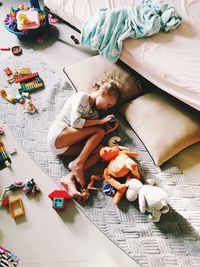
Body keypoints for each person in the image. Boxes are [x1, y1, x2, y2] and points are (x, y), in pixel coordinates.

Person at [47, 79, 121, 201]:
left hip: (64, 148)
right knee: (99, 131)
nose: (106, 109)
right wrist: (100, 123)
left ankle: (69, 178)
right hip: (58, 134)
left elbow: (87, 134)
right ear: (103, 92)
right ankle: (77, 164)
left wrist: (107, 131)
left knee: (100, 151)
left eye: (109, 107)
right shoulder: (82, 97)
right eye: (108, 104)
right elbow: (75, 123)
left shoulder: (94, 114)